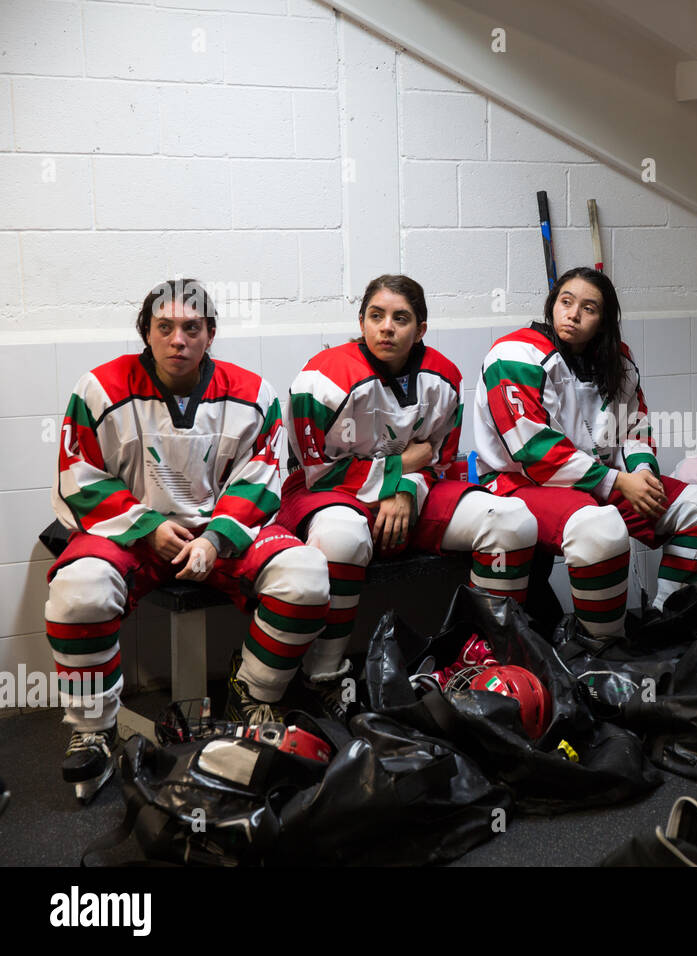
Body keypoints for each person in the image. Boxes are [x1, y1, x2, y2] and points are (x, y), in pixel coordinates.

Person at [46, 279, 330, 803]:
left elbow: (262, 473)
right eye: (166, 328)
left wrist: (217, 539)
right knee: (78, 589)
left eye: (192, 328)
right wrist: (147, 528)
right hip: (133, 532)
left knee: (308, 575)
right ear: (146, 334)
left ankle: (251, 696)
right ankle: (94, 725)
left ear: (210, 333)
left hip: (224, 532)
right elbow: (78, 474)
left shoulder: (253, 393)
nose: (179, 339)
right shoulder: (99, 389)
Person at [280, 274, 537, 716]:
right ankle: (323, 676)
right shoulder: (321, 378)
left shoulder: (444, 377)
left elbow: (439, 461)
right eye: (376, 316)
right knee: (343, 538)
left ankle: (482, 660)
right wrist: (401, 469)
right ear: (361, 322)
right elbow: (319, 471)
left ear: (420, 329)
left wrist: (404, 487)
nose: (386, 328)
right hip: (325, 493)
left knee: (512, 520)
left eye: (401, 318)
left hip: (412, 491)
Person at [473, 267, 697, 638]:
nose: (573, 313)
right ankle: (603, 648)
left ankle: (668, 626)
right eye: (566, 302)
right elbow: (533, 451)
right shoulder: (516, 353)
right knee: (601, 528)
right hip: (519, 483)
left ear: (604, 321)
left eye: (589, 308)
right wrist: (616, 482)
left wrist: (643, 473)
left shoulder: (618, 360)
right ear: (552, 305)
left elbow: (634, 428)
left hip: (604, 480)